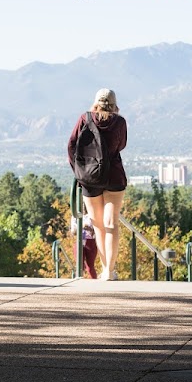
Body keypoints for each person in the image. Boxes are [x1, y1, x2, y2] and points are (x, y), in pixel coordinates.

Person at [67, 88, 128, 280]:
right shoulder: (120, 122)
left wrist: (79, 172)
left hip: (90, 177)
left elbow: (71, 145)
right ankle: (109, 270)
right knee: (111, 223)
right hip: (114, 175)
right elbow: (122, 145)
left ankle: (104, 268)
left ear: (95, 101)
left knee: (98, 225)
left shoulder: (85, 119)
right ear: (114, 102)